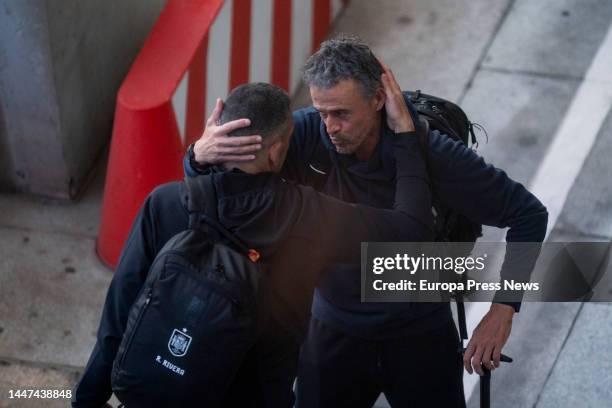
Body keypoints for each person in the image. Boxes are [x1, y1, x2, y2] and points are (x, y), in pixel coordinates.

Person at [186, 37, 548, 407]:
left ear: (378, 99)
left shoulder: (433, 154)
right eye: (321, 111)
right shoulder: (307, 135)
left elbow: (529, 215)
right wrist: (198, 160)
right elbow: (229, 190)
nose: (330, 127)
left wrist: (503, 309)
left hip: (420, 336)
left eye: (341, 113)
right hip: (332, 332)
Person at [73, 82, 434, 407]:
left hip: (159, 388)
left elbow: (117, 317)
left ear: (218, 131)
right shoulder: (309, 217)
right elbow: (410, 231)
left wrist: (195, 158)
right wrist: (405, 137)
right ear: (276, 153)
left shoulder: (165, 204)